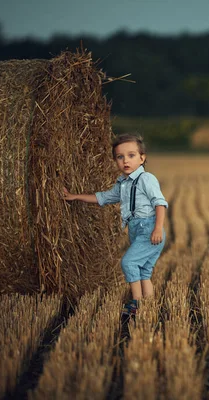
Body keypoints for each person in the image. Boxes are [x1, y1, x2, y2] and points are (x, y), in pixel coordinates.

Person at [63, 133, 168, 319]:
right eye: (120, 157)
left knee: (128, 262)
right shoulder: (123, 184)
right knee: (144, 271)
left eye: (131, 155)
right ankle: (149, 306)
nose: (125, 161)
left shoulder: (146, 179)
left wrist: (158, 228)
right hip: (136, 229)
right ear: (115, 161)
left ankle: (136, 302)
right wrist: (75, 196)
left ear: (142, 158)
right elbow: (102, 197)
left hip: (149, 228)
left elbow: (160, 203)